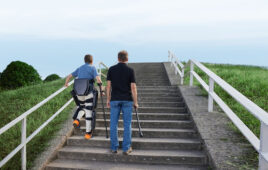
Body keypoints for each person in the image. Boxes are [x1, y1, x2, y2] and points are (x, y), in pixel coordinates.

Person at [106, 50, 138, 155]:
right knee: (127, 124)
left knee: (113, 124)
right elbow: (133, 87)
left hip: (114, 100)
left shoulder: (111, 69)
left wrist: (107, 99)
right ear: (127, 59)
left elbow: (108, 86)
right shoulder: (130, 70)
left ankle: (114, 148)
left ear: (118, 58)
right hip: (127, 100)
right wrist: (136, 102)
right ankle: (126, 148)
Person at [65, 54, 103, 140]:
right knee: (89, 112)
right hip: (88, 92)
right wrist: (102, 89)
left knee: (82, 108)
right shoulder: (92, 68)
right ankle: (88, 133)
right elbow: (98, 79)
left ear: (84, 60)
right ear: (91, 61)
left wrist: (66, 83)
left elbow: (69, 76)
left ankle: (77, 119)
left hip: (79, 92)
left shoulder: (80, 68)